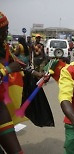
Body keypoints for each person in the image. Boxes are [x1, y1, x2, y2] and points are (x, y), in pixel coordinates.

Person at [0, 11, 24, 154]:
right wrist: (7, 70)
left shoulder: (3, 48)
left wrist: (36, 74)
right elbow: (10, 67)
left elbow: (17, 63)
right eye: (1, 32)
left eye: (6, 31)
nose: (4, 36)